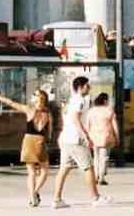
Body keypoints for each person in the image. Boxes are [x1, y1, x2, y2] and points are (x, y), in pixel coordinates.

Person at [52, 76, 110, 209]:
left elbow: (67, 117)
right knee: (89, 168)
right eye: (87, 86)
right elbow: (76, 119)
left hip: (65, 139)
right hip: (75, 139)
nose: (89, 88)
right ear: (80, 87)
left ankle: (57, 199)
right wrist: (86, 136)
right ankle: (96, 198)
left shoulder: (70, 100)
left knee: (64, 168)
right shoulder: (80, 100)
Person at [0, 86, 53, 207]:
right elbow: (49, 132)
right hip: (40, 141)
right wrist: (47, 141)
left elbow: (10, 102)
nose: (31, 96)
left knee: (31, 172)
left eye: (34, 95)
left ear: (38, 99)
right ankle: (35, 192)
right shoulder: (48, 113)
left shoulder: (29, 109)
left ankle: (32, 198)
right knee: (44, 170)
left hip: (28, 141)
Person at [87, 93, 119, 188]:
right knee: (104, 157)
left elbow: (88, 125)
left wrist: (88, 137)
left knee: (96, 157)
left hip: (94, 137)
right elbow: (115, 126)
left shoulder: (91, 111)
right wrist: (117, 137)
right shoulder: (109, 111)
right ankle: (101, 178)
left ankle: (96, 176)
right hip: (106, 136)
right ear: (105, 101)